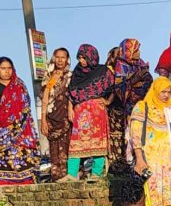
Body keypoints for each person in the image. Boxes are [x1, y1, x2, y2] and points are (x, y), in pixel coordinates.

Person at [129, 77, 171, 206]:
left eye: (169, 92)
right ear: (155, 90)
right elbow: (136, 135)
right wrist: (139, 158)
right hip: (150, 162)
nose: (166, 95)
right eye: (162, 92)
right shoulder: (142, 107)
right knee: (152, 199)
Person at [0, 57, 40, 185]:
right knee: (6, 157)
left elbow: (26, 108)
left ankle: (27, 182)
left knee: (25, 156)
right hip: (3, 130)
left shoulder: (19, 84)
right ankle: (5, 183)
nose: (7, 71)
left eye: (9, 68)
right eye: (3, 68)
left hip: (23, 131)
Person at [67, 44, 114, 181]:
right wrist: (70, 109)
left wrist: (108, 101)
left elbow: (115, 87)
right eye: (80, 57)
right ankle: (71, 174)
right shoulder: (76, 73)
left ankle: (96, 173)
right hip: (80, 113)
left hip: (97, 112)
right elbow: (70, 94)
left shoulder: (103, 71)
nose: (81, 61)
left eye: (84, 57)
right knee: (76, 143)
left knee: (97, 143)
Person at [111, 38, 153, 169]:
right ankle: (131, 165)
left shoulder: (140, 64)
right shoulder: (121, 65)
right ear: (129, 51)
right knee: (131, 134)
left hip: (145, 105)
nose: (139, 52)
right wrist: (137, 77)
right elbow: (119, 88)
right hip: (131, 107)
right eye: (136, 49)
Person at [39, 48, 73, 182]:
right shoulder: (48, 76)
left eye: (63, 57)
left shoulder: (71, 76)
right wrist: (43, 119)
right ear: (53, 58)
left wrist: (70, 110)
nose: (60, 60)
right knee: (53, 148)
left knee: (67, 146)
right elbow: (45, 99)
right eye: (57, 57)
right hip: (51, 117)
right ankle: (56, 176)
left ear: (67, 59)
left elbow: (72, 96)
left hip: (66, 116)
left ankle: (68, 176)